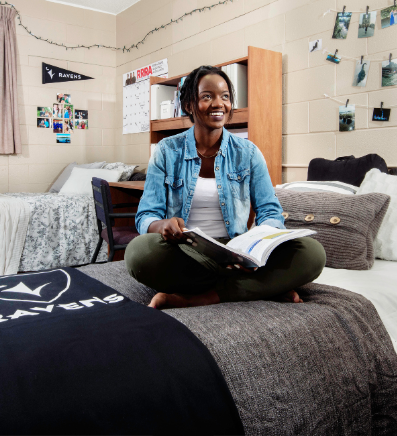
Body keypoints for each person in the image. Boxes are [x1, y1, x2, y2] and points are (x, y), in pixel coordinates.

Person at [126, 65, 326, 310]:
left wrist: (259, 244)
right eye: (206, 96)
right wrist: (162, 226)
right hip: (188, 252)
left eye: (225, 96)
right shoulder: (167, 151)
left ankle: (202, 296)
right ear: (189, 104)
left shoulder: (248, 152)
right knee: (138, 253)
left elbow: (270, 212)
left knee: (312, 253)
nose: (218, 104)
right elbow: (146, 215)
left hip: (237, 252)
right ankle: (260, 287)